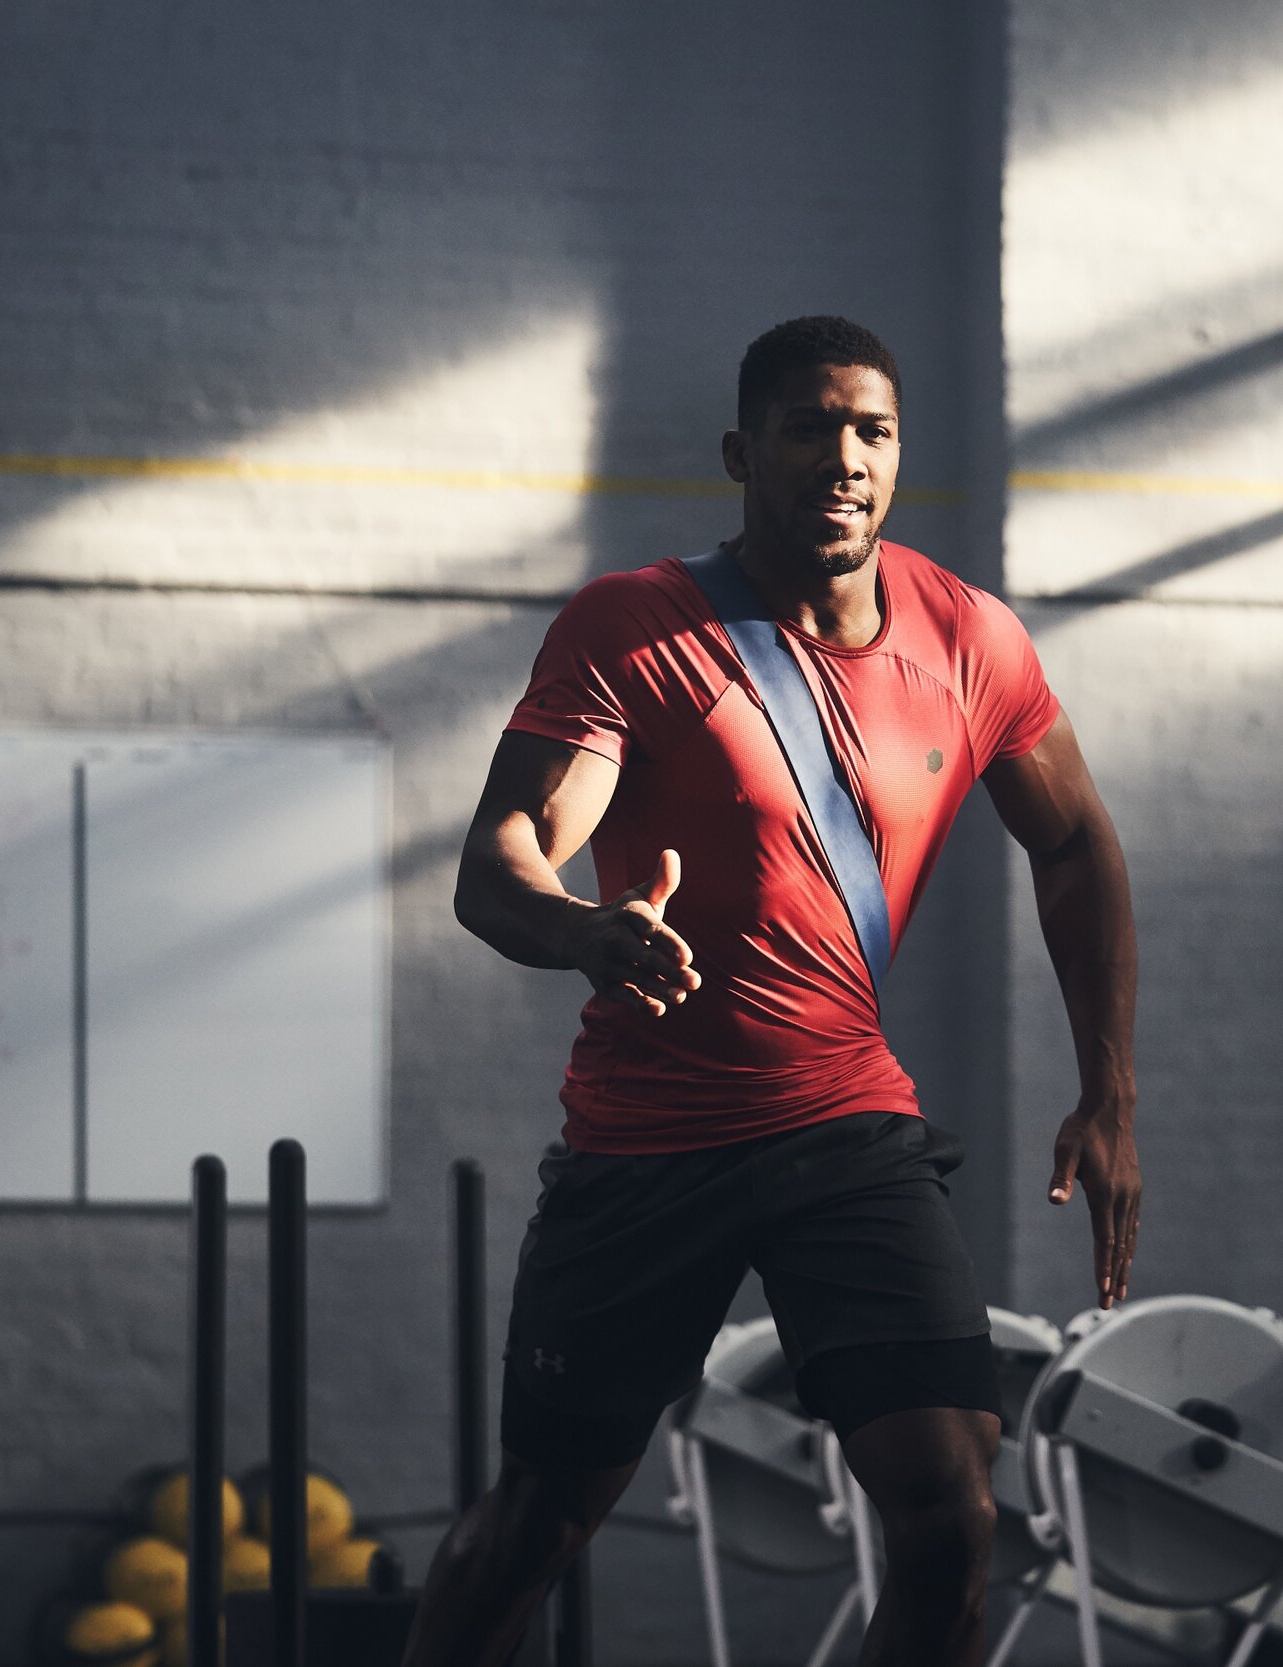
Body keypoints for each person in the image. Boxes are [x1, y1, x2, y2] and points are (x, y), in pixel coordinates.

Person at [405, 315, 1140, 1667]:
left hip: (842, 1127)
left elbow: (1078, 841)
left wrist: (1108, 1094)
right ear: (748, 451)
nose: (844, 457)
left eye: (872, 431)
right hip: (646, 1143)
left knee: (951, 1520)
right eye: (811, 427)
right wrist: (587, 931)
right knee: (540, 1521)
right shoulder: (636, 627)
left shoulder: (971, 639)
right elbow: (498, 860)